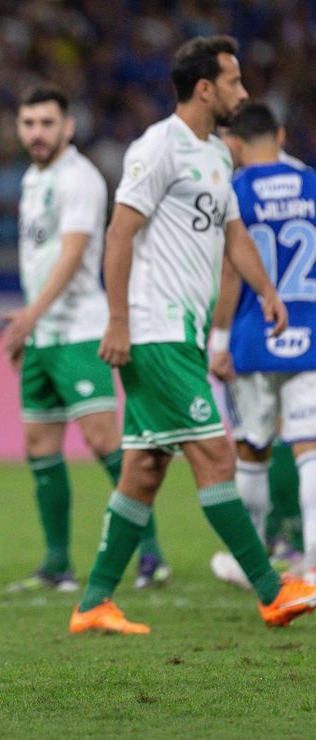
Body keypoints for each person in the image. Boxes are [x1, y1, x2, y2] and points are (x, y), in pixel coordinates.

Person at [68, 35, 316, 635]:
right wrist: (120, 322)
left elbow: (234, 234)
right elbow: (119, 235)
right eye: (234, 81)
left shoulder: (212, 153)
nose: (244, 92)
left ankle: (94, 601)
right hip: (153, 331)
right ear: (205, 88)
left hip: (183, 335)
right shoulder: (158, 148)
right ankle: (270, 589)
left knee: (146, 469)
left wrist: (266, 292)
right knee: (214, 455)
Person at [3, 84, 169, 593]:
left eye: (47, 123)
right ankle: (57, 563)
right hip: (43, 336)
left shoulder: (81, 178)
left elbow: (74, 253)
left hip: (77, 332)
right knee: (40, 445)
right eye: (29, 123)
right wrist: (33, 322)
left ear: (67, 126)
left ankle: (151, 554)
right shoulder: (34, 179)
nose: (37, 132)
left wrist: (29, 315)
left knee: (103, 441)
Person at [207, 102, 316, 584]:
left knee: (252, 446)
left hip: (254, 335)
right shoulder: (313, 184)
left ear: (234, 144)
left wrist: (220, 336)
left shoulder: (235, 191)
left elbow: (231, 268)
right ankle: (312, 559)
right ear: (281, 134)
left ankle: (248, 562)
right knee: (309, 447)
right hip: (309, 331)